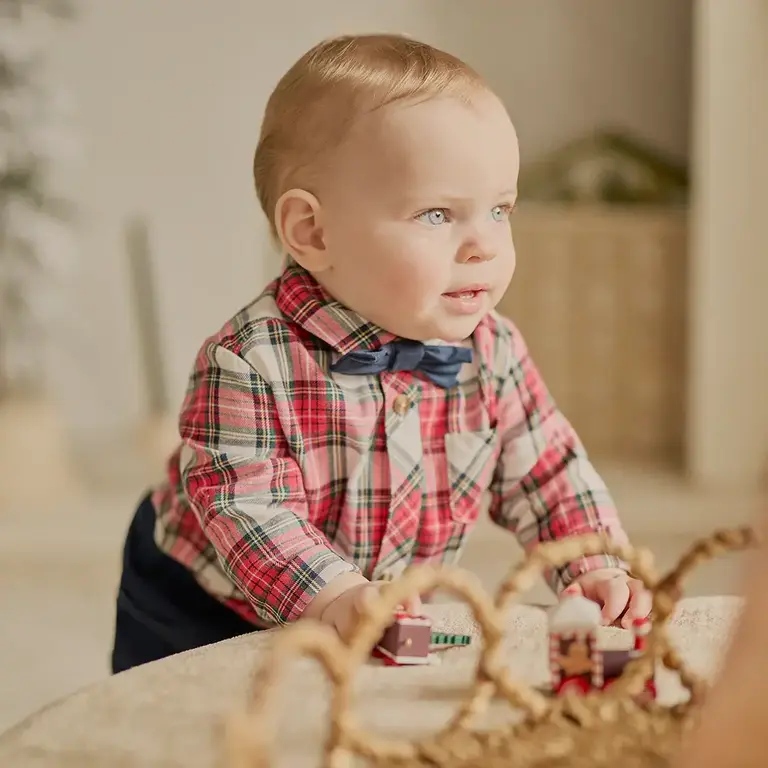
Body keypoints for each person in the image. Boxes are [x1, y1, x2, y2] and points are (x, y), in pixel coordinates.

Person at [110, 33, 650, 674]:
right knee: (198, 728)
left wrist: (590, 565)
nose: (484, 245)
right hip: (203, 601)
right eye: (436, 214)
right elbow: (249, 507)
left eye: (500, 209)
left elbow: (547, 474)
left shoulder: (492, 351)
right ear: (313, 231)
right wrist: (335, 594)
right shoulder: (248, 361)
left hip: (379, 604)